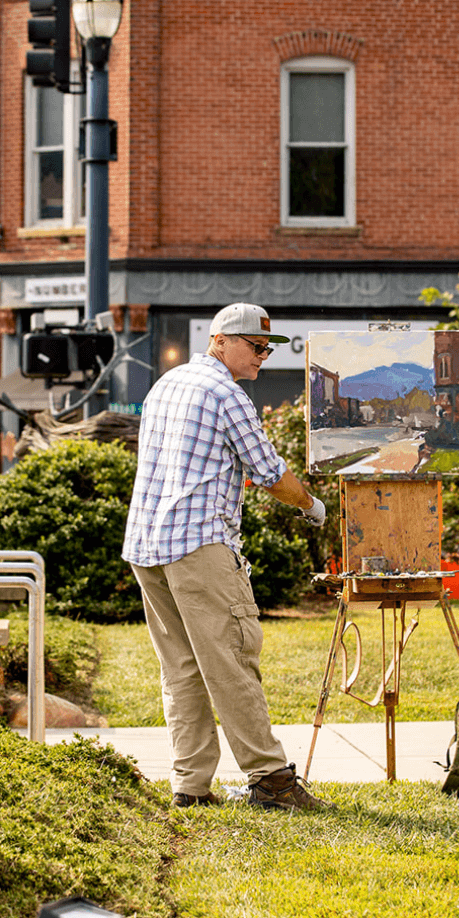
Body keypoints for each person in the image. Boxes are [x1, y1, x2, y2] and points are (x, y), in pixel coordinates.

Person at [122, 302, 330, 810]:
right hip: (198, 545)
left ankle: (190, 786)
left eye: (268, 348)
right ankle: (271, 780)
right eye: (256, 346)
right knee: (232, 660)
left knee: (182, 670)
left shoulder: (166, 384)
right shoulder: (226, 394)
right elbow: (268, 472)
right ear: (221, 341)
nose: (263, 356)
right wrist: (312, 506)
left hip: (148, 547)